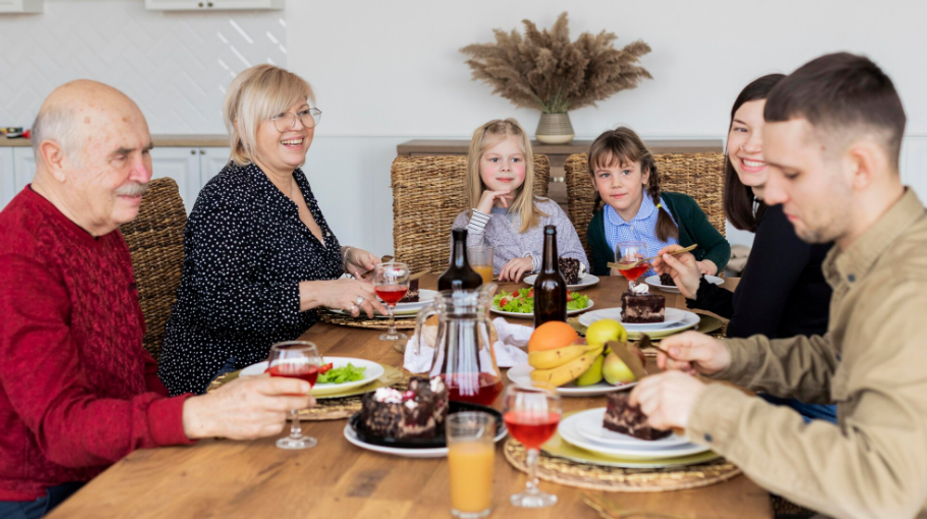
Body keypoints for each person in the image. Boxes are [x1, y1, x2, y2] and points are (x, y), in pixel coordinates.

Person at [0, 80, 314, 519]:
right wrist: (197, 416)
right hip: (46, 493)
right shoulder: (19, 254)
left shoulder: (103, 230)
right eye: (121, 156)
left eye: (145, 152)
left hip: (119, 457)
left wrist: (186, 421)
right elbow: (61, 429)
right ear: (56, 159)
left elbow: (134, 363)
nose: (144, 173)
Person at [632, 53, 927, 519]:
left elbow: (887, 493)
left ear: (858, 167)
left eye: (791, 172)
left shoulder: (910, 283)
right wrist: (734, 357)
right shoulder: (870, 251)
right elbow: (839, 360)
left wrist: (711, 412)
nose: (769, 194)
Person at [159, 65, 387, 396]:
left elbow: (286, 256)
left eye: (304, 111)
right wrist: (324, 292)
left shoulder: (291, 179)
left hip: (293, 352)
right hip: (225, 372)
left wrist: (345, 257)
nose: (299, 125)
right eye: (280, 114)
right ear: (242, 127)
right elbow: (220, 304)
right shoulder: (227, 198)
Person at [653, 74, 836, 424]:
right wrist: (697, 287)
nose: (751, 145)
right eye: (741, 129)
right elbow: (759, 309)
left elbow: (747, 336)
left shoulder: (789, 213)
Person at [452, 118, 588, 281]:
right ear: (477, 165)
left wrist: (536, 263)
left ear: (527, 164)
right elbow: (461, 276)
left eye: (515, 159)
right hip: (493, 302)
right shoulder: (464, 223)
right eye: (495, 159)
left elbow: (582, 265)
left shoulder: (549, 211)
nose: (506, 167)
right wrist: (479, 218)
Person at [585, 127, 730, 277]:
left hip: (682, 297)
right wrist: (617, 270)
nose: (616, 183)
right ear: (594, 181)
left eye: (626, 172)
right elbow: (602, 275)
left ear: (644, 174)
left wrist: (707, 265)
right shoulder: (597, 227)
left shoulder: (682, 207)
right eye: (605, 175)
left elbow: (720, 246)